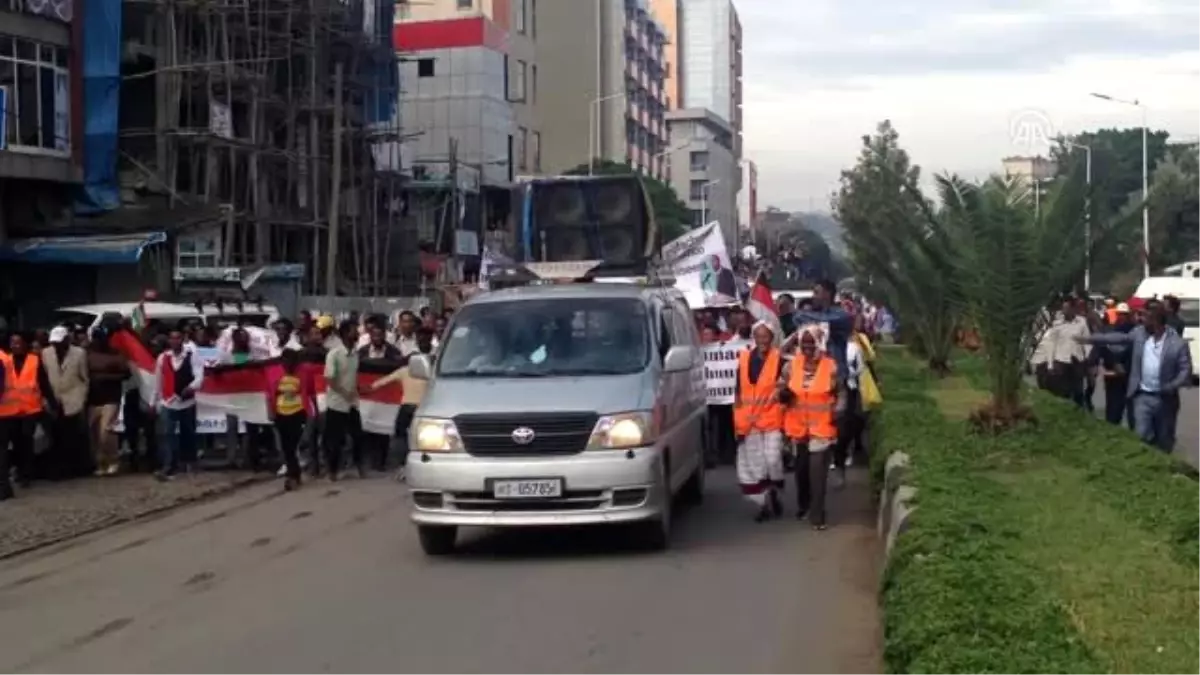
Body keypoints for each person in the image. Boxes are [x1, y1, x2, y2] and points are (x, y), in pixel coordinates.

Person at [1076, 303, 1192, 452]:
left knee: (1164, 439)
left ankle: (1162, 467)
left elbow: (1185, 370)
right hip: (1142, 395)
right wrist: (1091, 339)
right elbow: (1118, 338)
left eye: (1145, 318)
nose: (1141, 320)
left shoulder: (1177, 343)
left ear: (1156, 321)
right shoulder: (1139, 334)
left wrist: (1172, 385)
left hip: (1166, 398)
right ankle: (1144, 465)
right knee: (1141, 435)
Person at [780, 325, 844, 530]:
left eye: (811, 342)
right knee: (802, 472)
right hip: (798, 430)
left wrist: (838, 412)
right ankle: (804, 505)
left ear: (820, 343)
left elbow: (841, 394)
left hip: (821, 430)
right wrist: (783, 395)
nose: (807, 346)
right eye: (803, 342)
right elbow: (779, 389)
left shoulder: (831, 367)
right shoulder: (791, 367)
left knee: (817, 474)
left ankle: (818, 516)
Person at [733, 321, 786, 523]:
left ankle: (774, 492)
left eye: (766, 336)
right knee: (756, 465)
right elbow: (737, 393)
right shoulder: (745, 358)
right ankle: (763, 504)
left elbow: (788, 385)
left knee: (772, 460)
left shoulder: (780, 359)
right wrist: (738, 424)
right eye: (758, 336)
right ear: (754, 338)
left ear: (771, 338)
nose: (762, 340)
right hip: (749, 422)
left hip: (772, 419)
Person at [371, 327, 435, 481]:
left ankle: (403, 466)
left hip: (407, 408)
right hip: (425, 409)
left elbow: (380, 383)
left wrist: (365, 388)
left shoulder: (404, 370)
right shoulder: (434, 368)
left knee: (401, 437)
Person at [0, 333, 57, 498]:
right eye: (12, 342)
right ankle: (19, 471)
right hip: (10, 410)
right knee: (14, 444)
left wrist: (52, 402)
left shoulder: (34, 360)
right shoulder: (7, 360)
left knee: (25, 442)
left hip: (30, 409)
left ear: (25, 344)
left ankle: (26, 473)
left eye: (18, 342)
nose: (15, 346)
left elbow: (43, 383)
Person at [151, 329, 205, 481]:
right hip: (168, 402)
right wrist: (153, 401)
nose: (175, 341)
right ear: (169, 341)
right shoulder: (163, 358)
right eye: (172, 338)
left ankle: (190, 463)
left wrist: (191, 387)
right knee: (168, 435)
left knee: (188, 434)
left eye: (178, 338)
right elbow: (158, 381)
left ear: (183, 339)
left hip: (187, 402)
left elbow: (199, 376)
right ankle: (169, 467)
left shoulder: (192, 355)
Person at [42, 326, 91, 478]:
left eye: (59, 342)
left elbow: (84, 378)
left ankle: (75, 468)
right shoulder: (46, 353)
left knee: (73, 435)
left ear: (67, 340)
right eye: (54, 342)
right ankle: (58, 469)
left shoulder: (79, 353)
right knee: (55, 435)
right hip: (54, 399)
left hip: (73, 398)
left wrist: (81, 397)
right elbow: (45, 376)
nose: (56, 346)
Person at [268, 348, 315, 491]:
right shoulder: (273, 373)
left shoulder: (305, 372)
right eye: (285, 361)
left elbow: (311, 393)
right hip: (281, 413)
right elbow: (269, 394)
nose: (288, 365)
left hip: (298, 412)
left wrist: (314, 412)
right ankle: (294, 473)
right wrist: (270, 412)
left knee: (293, 445)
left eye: (291, 362)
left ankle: (292, 475)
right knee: (285, 447)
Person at [86, 327, 129, 476]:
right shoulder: (87, 353)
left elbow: (126, 374)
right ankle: (100, 464)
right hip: (92, 399)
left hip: (111, 398)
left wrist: (106, 377)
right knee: (94, 434)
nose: (98, 341)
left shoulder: (116, 354)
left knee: (106, 431)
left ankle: (113, 461)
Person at [323, 319, 361, 480]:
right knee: (335, 440)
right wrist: (344, 392)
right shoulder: (334, 354)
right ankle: (332, 471)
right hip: (337, 403)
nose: (357, 333)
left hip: (353, 403)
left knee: (357, 436)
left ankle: (356, 467)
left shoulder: (355, 355)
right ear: (345, 334)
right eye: (354, 330)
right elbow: (330, 379)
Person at [1093, 302, 1135, 427]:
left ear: (1128, 315)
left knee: (1133, 414)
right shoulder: (1110, 330)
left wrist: (1125, 367)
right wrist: (1114, 363)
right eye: (1120, 314)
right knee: (1113, 412)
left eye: (1124, 314)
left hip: (1130, 376)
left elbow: (1135, 352)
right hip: (1112, 376)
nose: (1122, 317)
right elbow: (1104, 349)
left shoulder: (1134, 331)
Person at [1048, 297, 1090, 407]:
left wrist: (1087, 357)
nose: (1064, 311)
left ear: (1073, 308)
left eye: (1067, 308)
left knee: (1078, 391)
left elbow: (1087, 341)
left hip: (1077, 360)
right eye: (1063, 308)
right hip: (1061, 361)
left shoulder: (1081, 322)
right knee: (1061, 392)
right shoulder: (1057, 324)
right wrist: (1050, 364)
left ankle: (1079, 413)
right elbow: (1051, 344)